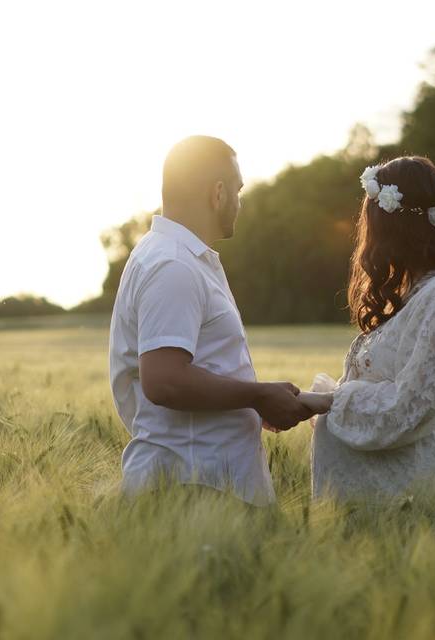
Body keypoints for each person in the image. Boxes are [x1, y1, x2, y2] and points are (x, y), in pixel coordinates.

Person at [108, 135, 317, 506]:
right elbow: (165, 381)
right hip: (193, 489)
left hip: (203, 484)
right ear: (217, 193)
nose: (239, 202)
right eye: (238, 190)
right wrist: (257, 395)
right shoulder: (173, 265)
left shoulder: (177, 258)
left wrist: (250, 404)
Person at [309, 156, 435, 503]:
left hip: (423, 493)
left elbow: (409, 407)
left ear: (391, 226)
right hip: (393, 494)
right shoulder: (416, 293)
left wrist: (327, 402)